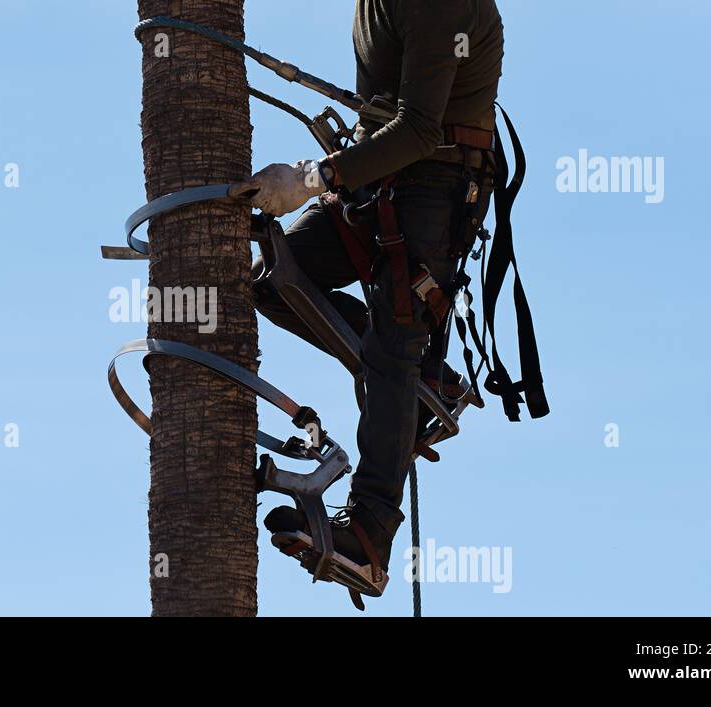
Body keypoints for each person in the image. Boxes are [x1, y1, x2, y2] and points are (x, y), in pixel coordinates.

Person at [231, 0, 504, 583]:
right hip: (379, 181)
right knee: (277, 278)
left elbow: (420, 128)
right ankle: (422, 382)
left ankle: (370, 535)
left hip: (436, 186)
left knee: (391, 347)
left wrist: (314, 178)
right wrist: (337, 172)